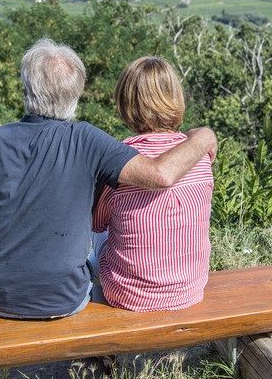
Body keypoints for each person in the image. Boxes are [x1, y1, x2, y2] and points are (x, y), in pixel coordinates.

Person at [0, 39, 217, 320]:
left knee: (100, 220)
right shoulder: (89, 140)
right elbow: (160, 174)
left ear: (26, 88)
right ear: (76, 92)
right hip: (173, 290)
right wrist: (205, 136)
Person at [91, 56, 213, 312]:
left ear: (126, 102)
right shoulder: (199, 156)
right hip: (190, 290)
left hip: (128, 295)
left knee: (93, 230)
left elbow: (96, 223)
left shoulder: (119, 159)